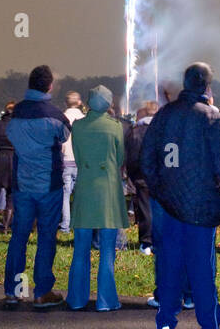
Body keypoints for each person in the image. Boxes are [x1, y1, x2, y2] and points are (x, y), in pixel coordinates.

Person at [140, 62, 220, 329]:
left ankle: (166, 324)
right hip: (200, 208)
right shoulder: (213, 118)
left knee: (169, 268)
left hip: (168, 208)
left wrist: (161, 190)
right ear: (207, 86)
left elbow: (146, 159)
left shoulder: (164, 115)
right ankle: (209, 326)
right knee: (202, 272)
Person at [2, 66, 71, 309]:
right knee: (46, 237)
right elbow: (63, 136)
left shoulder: (17, 112)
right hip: (48, 184)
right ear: (50, 86)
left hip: (23, 184)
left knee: (19, 236)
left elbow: (9, 133)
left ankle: (13, 290)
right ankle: (42, 291)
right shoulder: (55, 115)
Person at [66, 86, 126, 311]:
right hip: (108, 191)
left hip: (85, 189)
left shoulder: (78, 127)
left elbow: (79, 158)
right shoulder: (115, 128)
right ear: (109, 103)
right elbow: (119, 158)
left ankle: (77, 298)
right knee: (107, 248)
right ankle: (105, 299)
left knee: (81, 247)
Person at [125, 103, 157, 254]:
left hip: (142, 176)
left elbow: (130, 157)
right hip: (162, 177)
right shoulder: (167, 130)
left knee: (145, 209)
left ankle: (146, 242)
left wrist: (134, 175)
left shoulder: (135, 132)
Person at [59, 91, 86, 233]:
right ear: (79, 102)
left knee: (65, 195)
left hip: (65, 160)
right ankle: (79, 223)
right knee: (80, 196)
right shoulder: (84, 119)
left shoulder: (62, 118)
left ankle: (66, 224)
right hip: (80, 161)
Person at [0, 103, 16, 233]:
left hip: (1, 158)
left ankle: (5, 223)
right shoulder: (18, 125)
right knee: (11, 194)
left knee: (4, 189)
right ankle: (7, 223)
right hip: (14, 158)